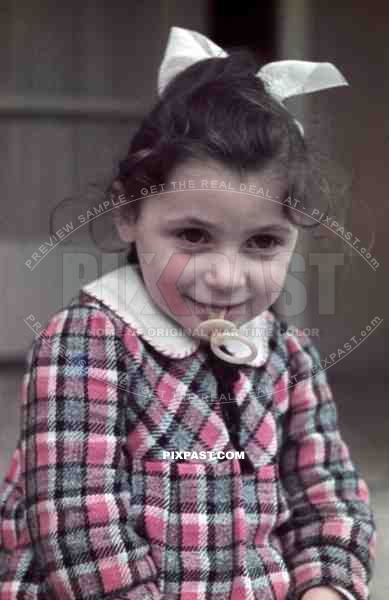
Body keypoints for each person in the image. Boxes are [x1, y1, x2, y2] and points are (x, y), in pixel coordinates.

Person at [0, 26, 376, 600]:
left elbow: (326, 491)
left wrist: (327, 583)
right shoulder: (86, 342)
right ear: (129, 214)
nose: (226, 277)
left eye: (263, 243)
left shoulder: (289, 354)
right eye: (193, 235)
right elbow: (80, 525)